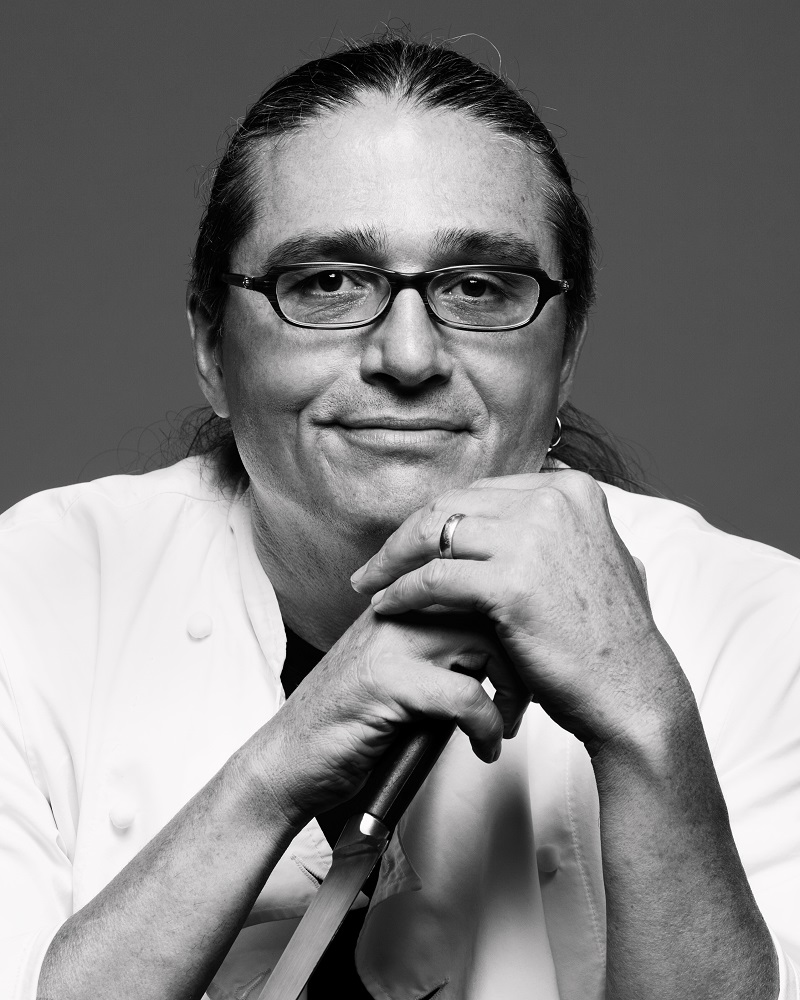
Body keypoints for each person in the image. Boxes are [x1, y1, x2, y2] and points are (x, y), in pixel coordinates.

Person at [2, 35, 799, 1000]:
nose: (410, 356)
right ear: (212, 345)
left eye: (480, 287)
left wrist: (645, 724)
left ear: (565, 354)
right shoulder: (32, 594)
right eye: (328, 282)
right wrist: (278, 767)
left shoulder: (758, 624)